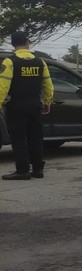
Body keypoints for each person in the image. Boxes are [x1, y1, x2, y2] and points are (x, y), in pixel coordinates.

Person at [0, 31, 54, 180]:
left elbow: (2, 87)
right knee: (35, 137)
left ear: (12, 43)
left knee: (19, 138)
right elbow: (48, 85)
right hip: (35, 104)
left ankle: (22, 170)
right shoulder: (40, 62)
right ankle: (37, 169)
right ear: (27, 42)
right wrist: (47, 102)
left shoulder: (10, 62)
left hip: (17, 105)